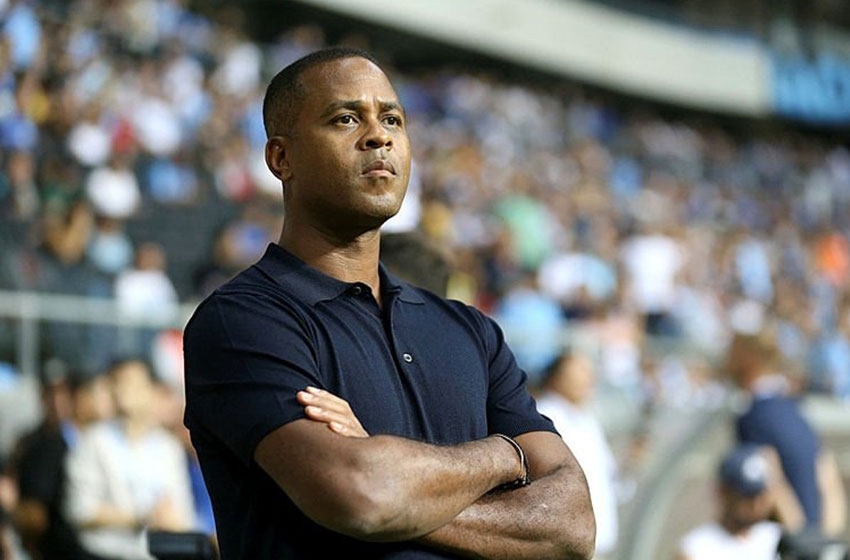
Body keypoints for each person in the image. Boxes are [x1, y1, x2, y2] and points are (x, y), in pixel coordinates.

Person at [182, 46, 595, 559]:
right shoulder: (242, 320)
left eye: (393, 119)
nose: (379, 136)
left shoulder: (470, 330)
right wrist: (504, 455)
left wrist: (397, 482)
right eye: (346, 118)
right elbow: (363, 496)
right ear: (281, 159)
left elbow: (572, 527)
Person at [64, 358, 196, 560]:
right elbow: (80, 510)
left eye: (130, 383)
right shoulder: (94, 441)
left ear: (151, 390)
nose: (121, 390)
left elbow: (182, 514)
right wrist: (141, 518)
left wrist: (169, 523)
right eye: (116, 383)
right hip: (102, 555)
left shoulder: (169, 448)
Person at [726, 330, 847, 537]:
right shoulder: (794, 409)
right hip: (816, 535)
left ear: (748, 361)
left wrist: (800, 540)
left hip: (787, 541)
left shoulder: (755, 417)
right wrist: (824, 540)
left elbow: (771, 481)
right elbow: (826, 473)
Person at [12, 365, 114, 560]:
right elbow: (35, 515)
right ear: (81, 397)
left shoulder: (101, 444)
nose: (111, 400)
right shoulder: (50, 446)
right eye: (102, 392)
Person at [534, 348, 620, 559]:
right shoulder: (544, 416)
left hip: (594, 542)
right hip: (561, 544)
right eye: (580, 371)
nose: (588, 379)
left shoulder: (588, 420)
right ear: (557, 376)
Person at [675, 444, 783, 560]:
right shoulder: (695, 548)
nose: (755, 505)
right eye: (746, 496)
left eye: (761, 495)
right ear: (723, 492)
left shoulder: (777, 537)